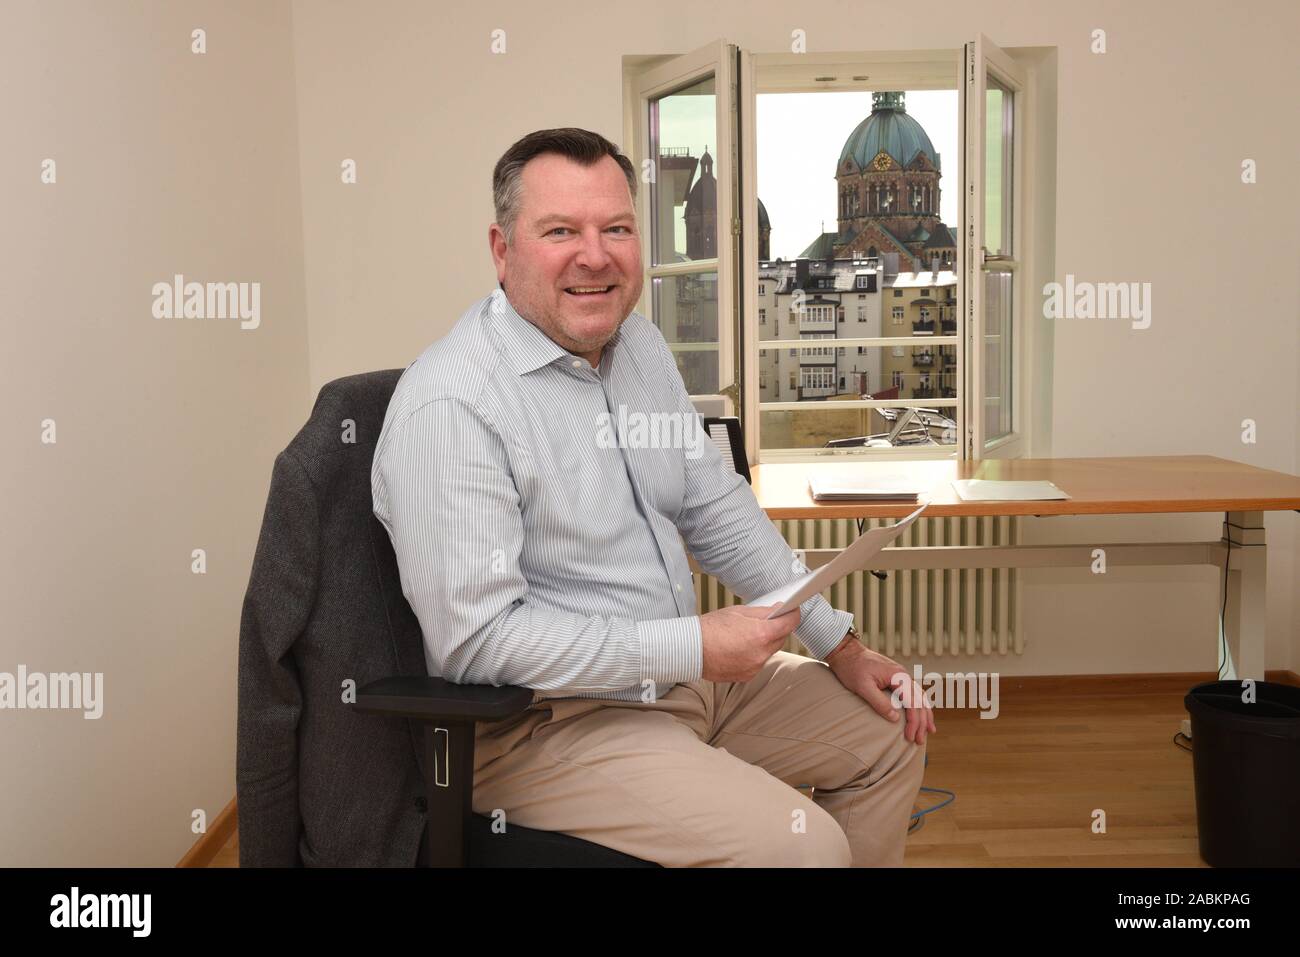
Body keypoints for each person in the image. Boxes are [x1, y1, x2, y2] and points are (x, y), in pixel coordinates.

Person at [371, 127, 933, 867]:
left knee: (888, 731)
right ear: (503, 251)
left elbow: (715, 507)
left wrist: (842, 644)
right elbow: (478, 643)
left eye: (617, 229)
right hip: (548, 724)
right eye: (560, 231)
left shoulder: (637, 347)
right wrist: (695, 643)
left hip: (681, 680)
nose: (595, 255)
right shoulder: (452, 404)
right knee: (808, 849)